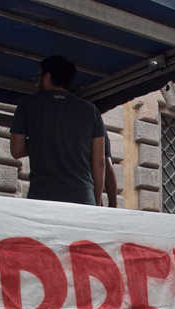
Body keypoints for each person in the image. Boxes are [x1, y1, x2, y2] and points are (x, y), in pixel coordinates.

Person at [10, 55, 106, 205]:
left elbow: (16, 150)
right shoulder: (91, 111)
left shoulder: (27, 104)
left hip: (43, 195)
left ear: (47, 76)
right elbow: (99, 161)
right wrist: (96, 203)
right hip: (82, 197)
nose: (37, 82)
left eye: (38, 77)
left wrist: (43, 140)